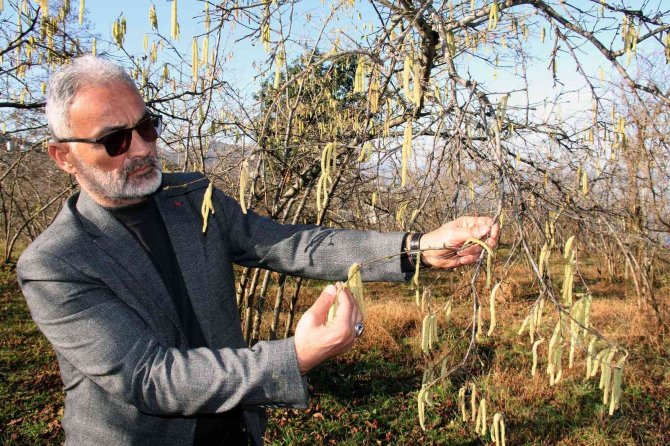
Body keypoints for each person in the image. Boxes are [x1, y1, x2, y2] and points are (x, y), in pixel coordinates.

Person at [17, 56, 499, 446]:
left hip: (236, 432)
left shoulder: (193, 198)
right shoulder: (55, 264)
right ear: (63, 156)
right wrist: (296, 356)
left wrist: (419, 246)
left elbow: (292, 244)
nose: (142, 148)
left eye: (147, 126)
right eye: (115, 140)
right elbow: (151, 378)